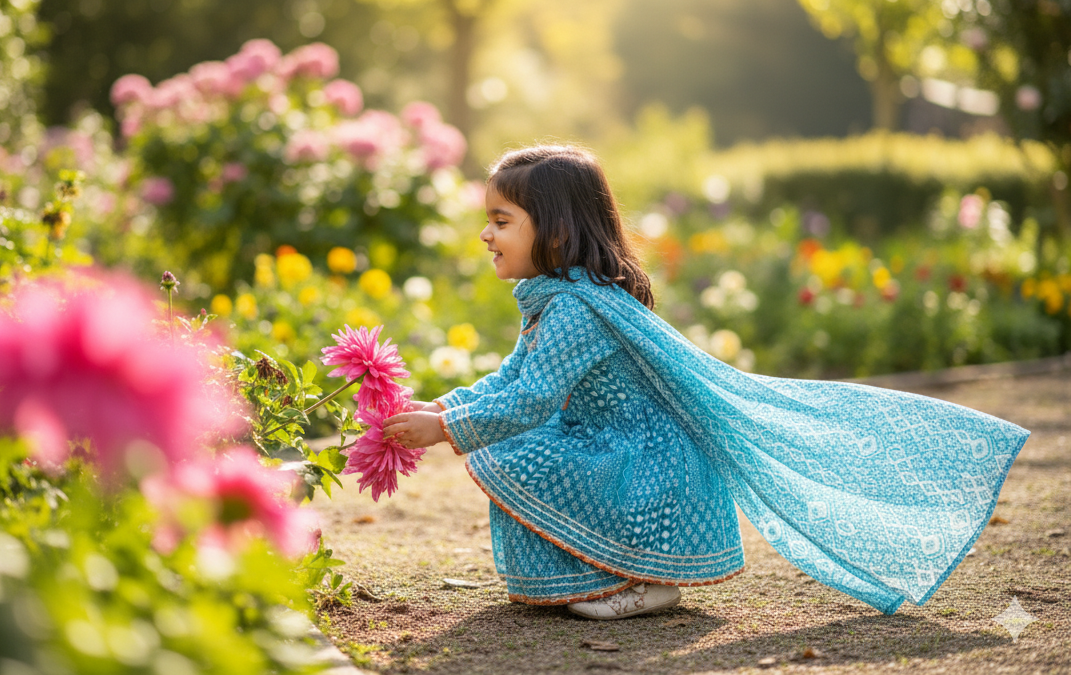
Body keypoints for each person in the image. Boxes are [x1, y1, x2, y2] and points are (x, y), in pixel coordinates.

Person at [382, 144, 1028, 621]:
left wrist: (446, 429)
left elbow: (529, 400)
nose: (485, 233)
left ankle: (639, 581)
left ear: (552, 229)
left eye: (501, 220)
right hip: (622, 454)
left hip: (649, 471)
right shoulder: (555, 297)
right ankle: (599, 571)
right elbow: (512, 376)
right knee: (508, 439)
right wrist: (446, 407)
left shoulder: (578, 309)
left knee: (515, 442)